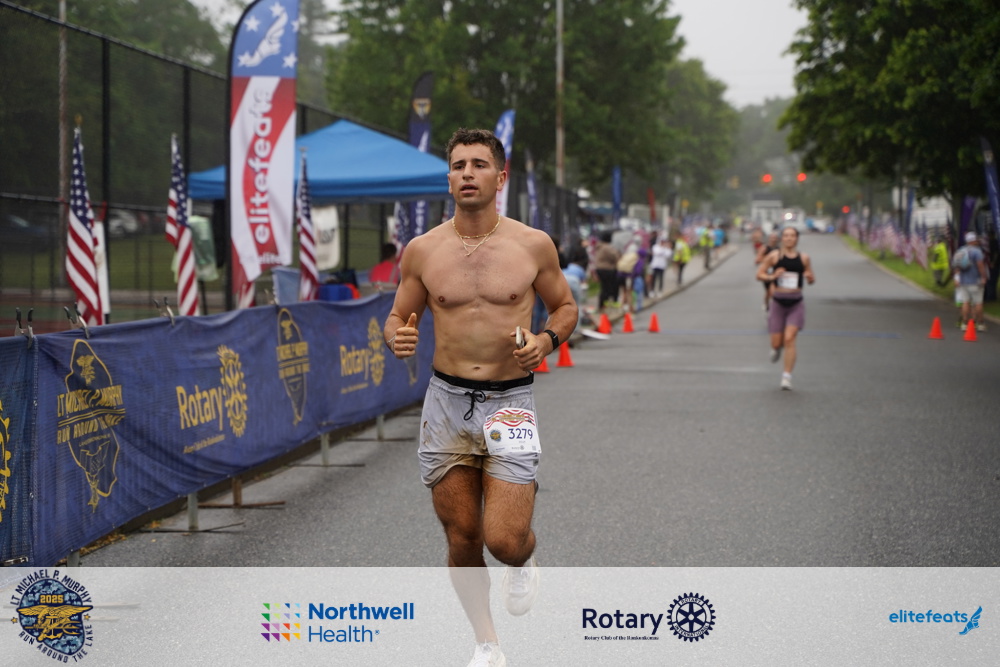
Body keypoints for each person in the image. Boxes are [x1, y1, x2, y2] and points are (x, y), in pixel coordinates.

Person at [383, 127, 577, 667]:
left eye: (479, 164)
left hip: (510, 400)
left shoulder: (532, 244)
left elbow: (565, 308)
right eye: (458, 165)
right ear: (448, 179)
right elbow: (397, 316)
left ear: (500, 177)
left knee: (504, 540)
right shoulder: (423, 250)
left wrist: (545, 340)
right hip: (446, 404)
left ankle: (523, 560)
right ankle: (487, 643)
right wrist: (396, 336)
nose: (467, 173)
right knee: (462, 536)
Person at [756, 227, 815, 390]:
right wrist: (772, 276)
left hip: (796, 303)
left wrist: (810, 278)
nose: (789, 238)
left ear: (797, 239)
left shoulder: (804, 258)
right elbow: (759, 274)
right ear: (782, 238)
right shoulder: (774, 256)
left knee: (789, 338)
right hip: (778, 303)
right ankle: (776, 349)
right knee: (777, 343)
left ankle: (786, 377)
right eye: (786, 236)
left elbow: (811, 277)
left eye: (792, 236)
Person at [953, 231, 987, 332]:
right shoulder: (977, 251)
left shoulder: (961, 250)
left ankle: (964, 323)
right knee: (978, 303)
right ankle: (980, 323)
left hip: (963, 281)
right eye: (976, 239)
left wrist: (957, 278)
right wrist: (983, 277)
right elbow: (980, 265)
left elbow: (956, 266)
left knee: (965, 302)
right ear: (973, 240)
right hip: (975, 281)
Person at [593, 231, 620, 312]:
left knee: (604, 287)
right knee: (607, 288)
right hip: (607, 269)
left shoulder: (599, 246)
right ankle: (603, 306)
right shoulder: (607, 247)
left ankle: (602, 305)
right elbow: (615, 256)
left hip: (599, 268)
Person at [755, 231, 780, 311]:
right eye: (772, 238)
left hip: (777, 272)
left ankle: (777, 306)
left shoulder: (780, 249)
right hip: (767, 273)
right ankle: (766, 303)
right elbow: (757, 260)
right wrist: (767, 261)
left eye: (775, 238)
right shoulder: (764, 248)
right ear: (769, 239)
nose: (773, 239)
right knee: (768, 291)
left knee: (776, 290)